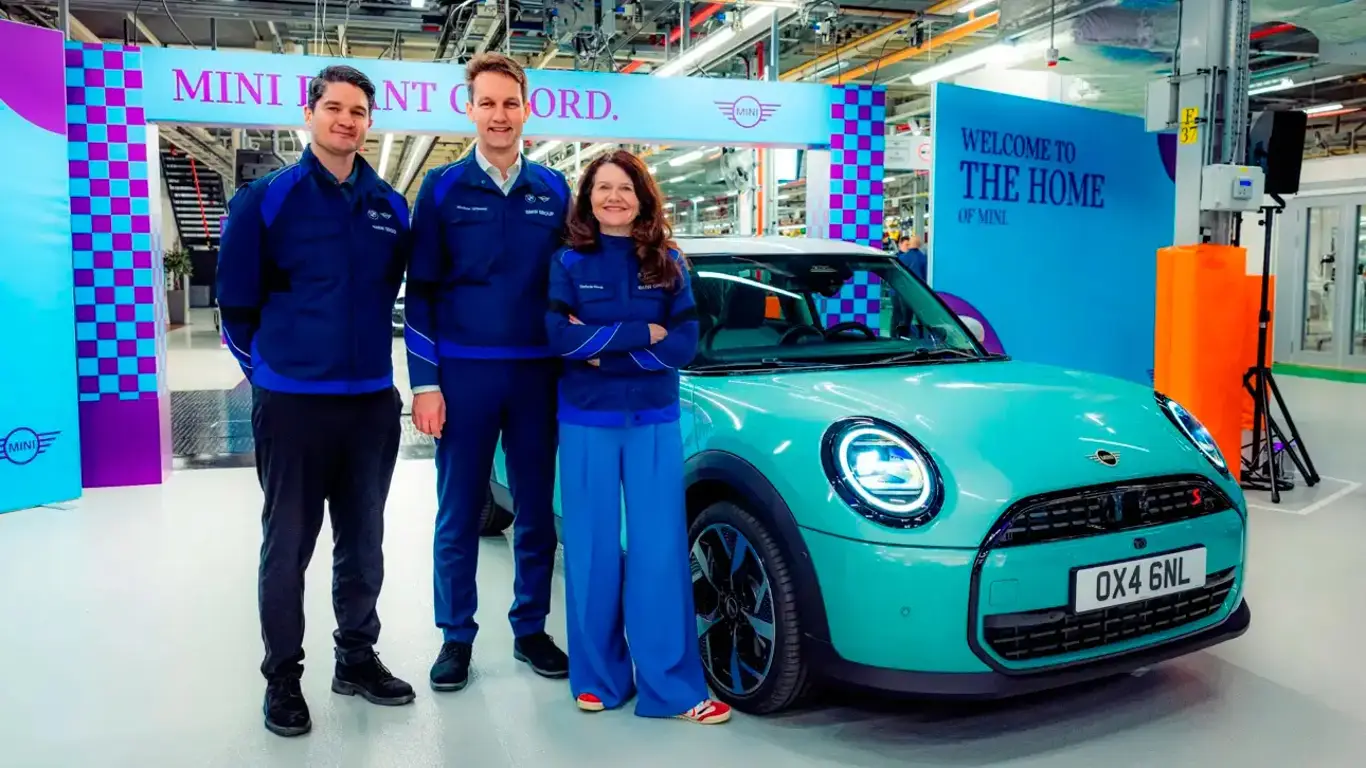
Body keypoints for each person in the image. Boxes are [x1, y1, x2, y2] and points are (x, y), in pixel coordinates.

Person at [216, 65, 415, 738]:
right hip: (294, 404)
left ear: (369, 123)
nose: (346, 120)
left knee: (363, 543)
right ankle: (282, 678)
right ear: (310, 113)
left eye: (358, 112)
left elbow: (393, 294)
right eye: (334, 108)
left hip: (370, 404)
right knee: (288, 546)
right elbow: (235, 307)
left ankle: (356, 658)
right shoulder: (266, 199)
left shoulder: (390, 206)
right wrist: (271, 377)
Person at [545, 149, 731, 725]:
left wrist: (603, 349)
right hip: (586, 421)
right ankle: (598, 677)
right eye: (603, 188)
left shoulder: (669, 262)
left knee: (660, 552)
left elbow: (683, 345)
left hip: (653, 420)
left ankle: (671, 688)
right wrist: (640, 332)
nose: (614, 198)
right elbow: (559, 339)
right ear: (587, 199)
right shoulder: (568, 262)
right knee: (591, 550)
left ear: (643, 197)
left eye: (625, 188)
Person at [405, 52, 571, 691]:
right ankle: (456, 637)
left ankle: (531, 629)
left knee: (535, 513)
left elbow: (573, 283)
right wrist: (425, 383)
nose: (499, 115)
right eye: (488, 103)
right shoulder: (442, 188)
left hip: (536, 378)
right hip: (464, 377)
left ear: (527, 109)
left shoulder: (554, 190)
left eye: (510, 103)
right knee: (458, 513)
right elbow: (421, 292)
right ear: (469, 109)